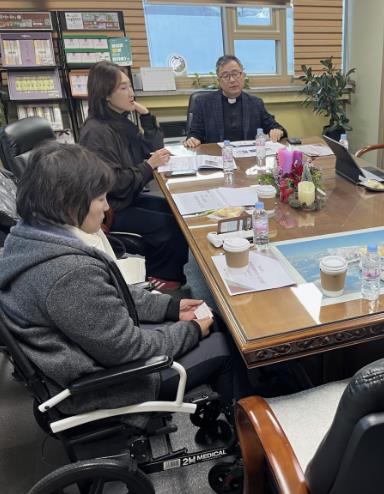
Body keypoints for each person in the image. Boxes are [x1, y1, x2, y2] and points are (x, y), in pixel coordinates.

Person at [0, 143, 243, 416]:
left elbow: (111, 295)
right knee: (224, 345)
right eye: (100, 199)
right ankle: (244, 427)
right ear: (68, 202)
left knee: (212, 319)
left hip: (87, 355)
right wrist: (191, 331)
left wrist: (170, 307)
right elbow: (129, 350)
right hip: (104, 385)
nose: (107, 207)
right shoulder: (69, 273)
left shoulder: (28, 236)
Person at [79, 60, 187, 291]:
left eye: (130, 86)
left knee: (177, 210)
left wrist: (146, 116)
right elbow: (114, 183)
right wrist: (148, 165)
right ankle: (162, 276)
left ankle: (172, 274)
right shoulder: (96, 131)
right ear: (106, 94)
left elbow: (152, 149)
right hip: (110, 209)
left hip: (127, 198)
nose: (131, 93)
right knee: (169, 224)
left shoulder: (119, 121)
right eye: (123, 88)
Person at [184, 55, 286, 147]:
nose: (232, 80)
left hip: (247, 158)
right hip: (217, 157)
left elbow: (276, 127)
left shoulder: (255, 103)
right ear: (219, 81)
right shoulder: (203, 103)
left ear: (243, 76)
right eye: (226, 76)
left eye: (235, 74)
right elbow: (194, 133)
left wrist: (278, 131)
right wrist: (193, 139)